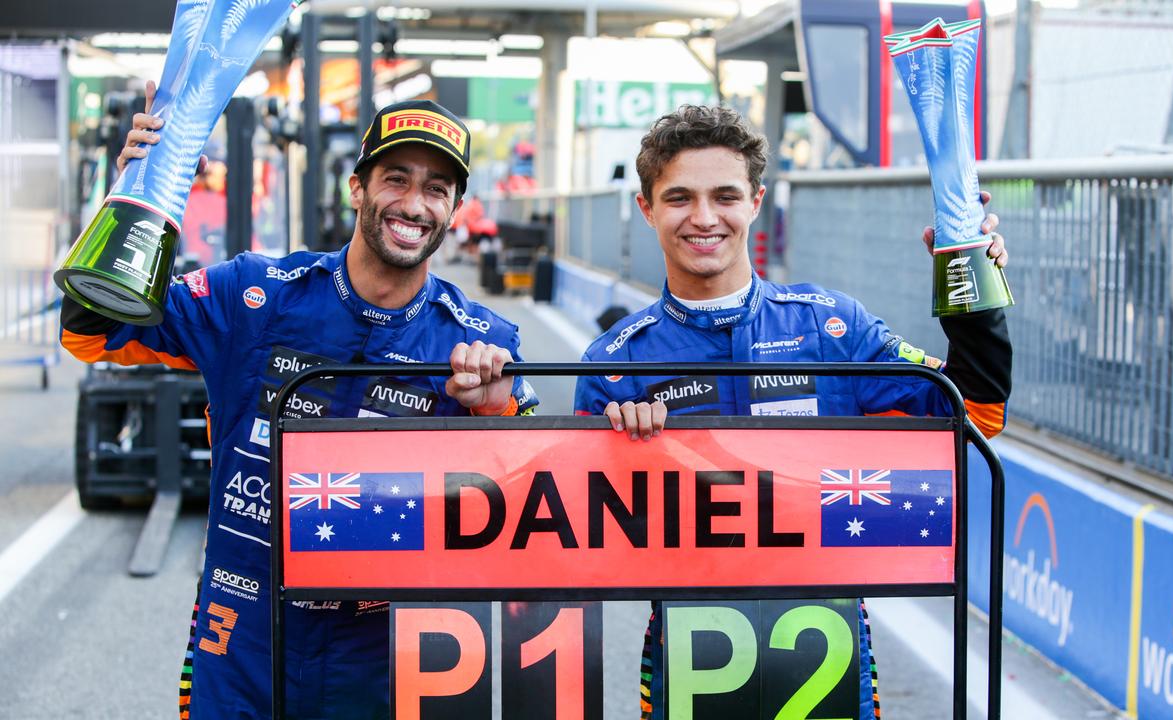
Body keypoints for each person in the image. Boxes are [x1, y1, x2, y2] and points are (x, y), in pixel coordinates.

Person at [63, 86, 537, 719]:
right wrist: (134, 199)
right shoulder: (254, 293)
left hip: (389, 654)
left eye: (436, 189)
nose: (414, 204)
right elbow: (92, 331)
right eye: (396, 179)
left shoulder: (479, 342)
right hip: (242, 640)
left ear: (454, 209)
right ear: (357, 188)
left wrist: (497, 409)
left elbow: (548, 502)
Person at [573, 104, 1012, 720]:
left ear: (755, 201)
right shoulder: (611, 364)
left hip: (830, 654)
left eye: (725, 195)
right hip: (686, 660)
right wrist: (624, 456)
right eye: (679, 198)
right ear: (647, 209)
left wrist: (974, 287)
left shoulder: (833, 325)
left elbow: (977, 415)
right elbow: (584, 551)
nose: (703, 218)